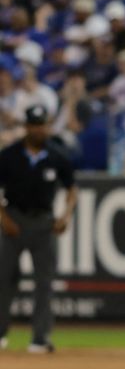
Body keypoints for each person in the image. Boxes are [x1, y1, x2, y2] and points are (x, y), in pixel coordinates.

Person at [0, 105, 77, 353]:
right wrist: (3, 218)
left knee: (45, 281)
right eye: (34, 125)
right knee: (4, 279)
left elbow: (72, 189)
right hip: (13, 219)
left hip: (44, 222)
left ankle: (40, 338)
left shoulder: (57, 155)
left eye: (42, 124)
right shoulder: (9, 155)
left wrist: (65, 215)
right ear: (27, 127)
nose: (38, 129)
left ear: (47, 126)